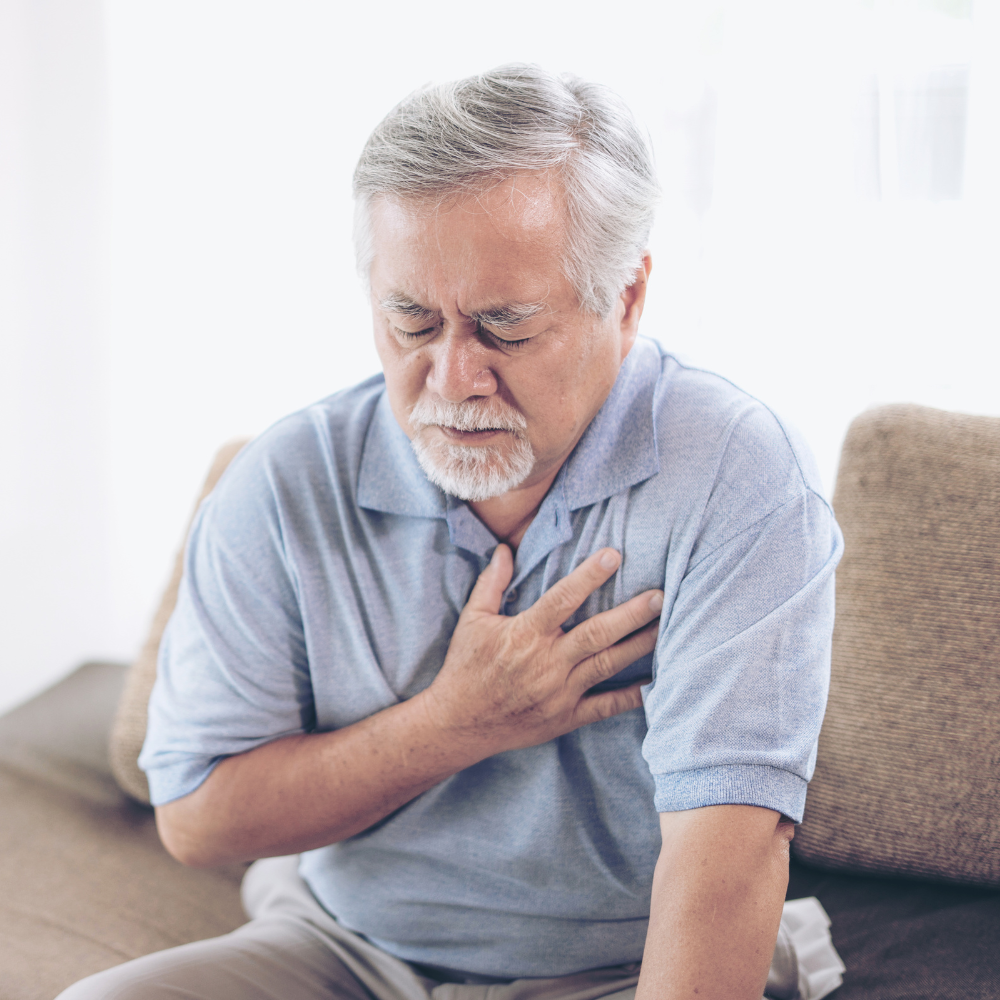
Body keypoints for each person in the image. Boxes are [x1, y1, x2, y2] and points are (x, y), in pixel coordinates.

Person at [60, 64, 844, 1000]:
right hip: (347, 945)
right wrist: (454, 724)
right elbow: (196, 820)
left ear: (627, 298)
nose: (450, 377)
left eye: (505, 327)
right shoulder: (282, 481)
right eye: (411, 320)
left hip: (618, 967)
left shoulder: (739, 476)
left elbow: (727, 857)